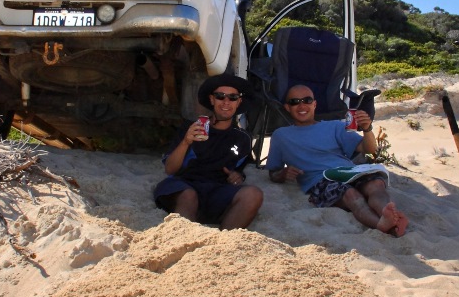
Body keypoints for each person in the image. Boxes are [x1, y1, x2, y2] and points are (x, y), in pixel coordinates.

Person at [267, 84, 408, 237]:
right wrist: (283, 174)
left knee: (375, 185)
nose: (302, 105)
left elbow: (369, 149)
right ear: (287, 107)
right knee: (351, 195)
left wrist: (367, 129)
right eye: (295, 102)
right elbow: (273, 172)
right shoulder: (280, 136)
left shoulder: (335, 126)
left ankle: (387, 214)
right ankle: (381, 224)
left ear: (314, 104)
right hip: (320, 180)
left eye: (307, 100)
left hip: (349, 172)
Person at [153, 74, 263, 229]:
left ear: (239, 102)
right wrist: (186, 141)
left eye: (232, 97)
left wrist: (237, 176)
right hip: (183, 186)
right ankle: (181, 240)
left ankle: (225, 244)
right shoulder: (190, 128)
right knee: (188, 195)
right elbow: (170, 169)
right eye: (220, 96)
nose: (226, 102)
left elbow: (238, 172)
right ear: (212, 100)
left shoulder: (243, 138)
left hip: (216, 191)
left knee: (253, 194)